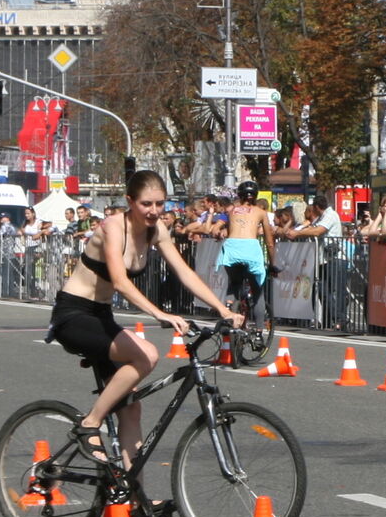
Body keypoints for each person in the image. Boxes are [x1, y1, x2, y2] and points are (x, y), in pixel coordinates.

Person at [48, 170, 246, 482]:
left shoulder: (156, 231)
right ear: (130, 201)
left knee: (131, 408)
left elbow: (185, 273)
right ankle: (90, 423)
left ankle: (134, 497)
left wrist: (222, 309)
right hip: (73, 315)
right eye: (146, 204)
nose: (154, 211)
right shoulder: (114, 227)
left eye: (160, 204)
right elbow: (119, 281)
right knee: (146, 355)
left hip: (101, 316)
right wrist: (160, 313)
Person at [217, 187, 275, 322]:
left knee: (234, 283)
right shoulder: (260, 212)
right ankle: (260, 332)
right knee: (257, 290)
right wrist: (273, 264)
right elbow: (269, 242)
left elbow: (227, 230)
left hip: (231, 247)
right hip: (250, 247)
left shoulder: (231, 211)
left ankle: (228, 307)